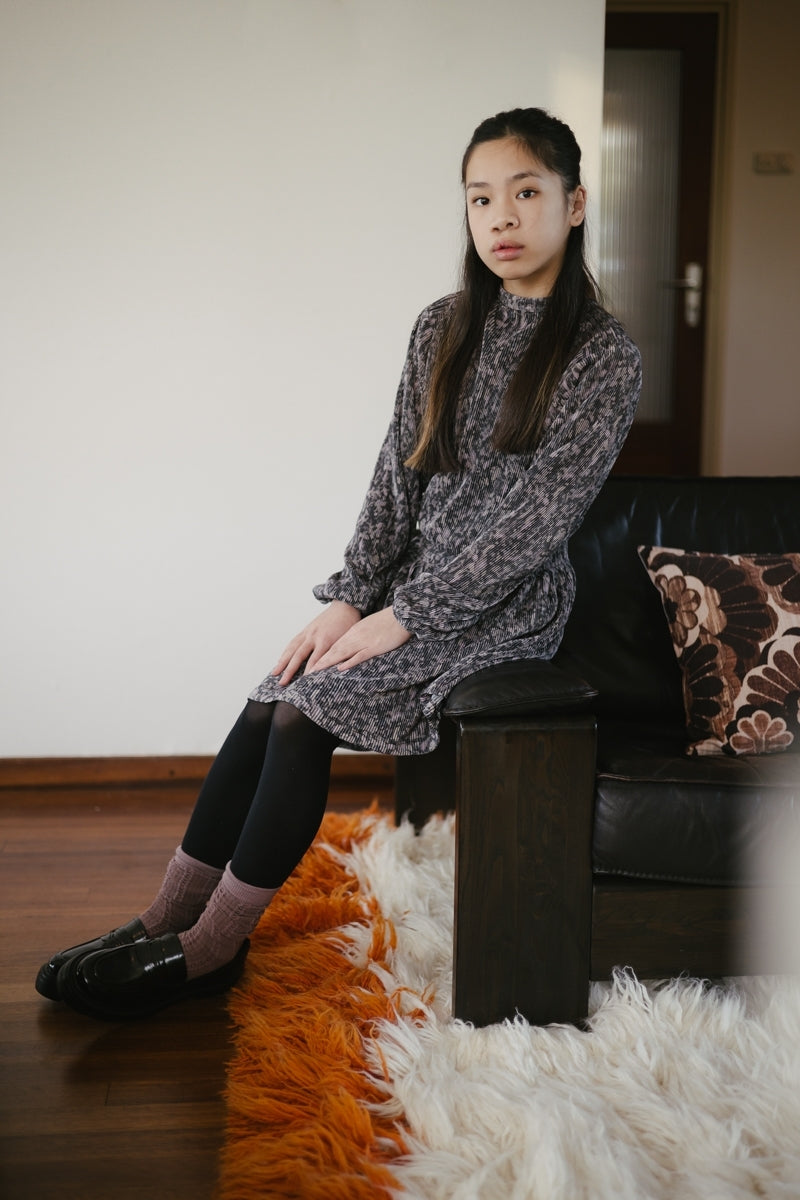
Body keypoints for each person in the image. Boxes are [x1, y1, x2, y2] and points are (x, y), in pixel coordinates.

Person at [37, 106, 642, 1019]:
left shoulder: (603, 356)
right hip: (406, 590)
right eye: (481, 198)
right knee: (273, 693)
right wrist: (353, 596)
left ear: (575, 203)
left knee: (303, 715)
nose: (502, 218)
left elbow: (534, 525)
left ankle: (211, 948)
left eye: (526, 193)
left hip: (508, 605)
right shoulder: (442, 326)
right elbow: (399, 473)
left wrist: (407, 616)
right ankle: (164, 917)